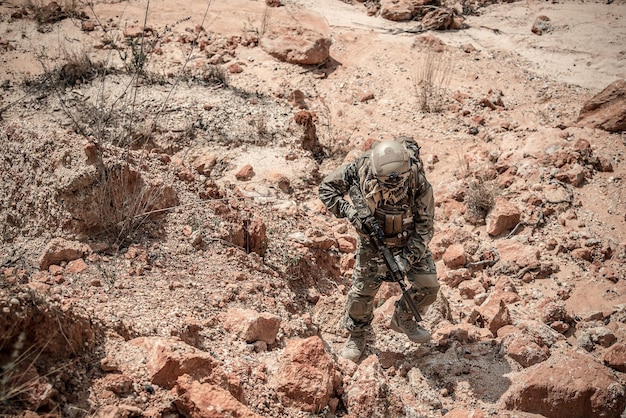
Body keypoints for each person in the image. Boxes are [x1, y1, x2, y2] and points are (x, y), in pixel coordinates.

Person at [318, 137, 439, 361]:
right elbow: (326, 188)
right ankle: (357, 333)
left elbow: (425, 228)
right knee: (362, 292)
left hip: (409, 238)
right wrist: (351, 213)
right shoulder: (361, 167)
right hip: (372, 239)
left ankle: (404, 317)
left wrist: (405, 260)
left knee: (429, 286)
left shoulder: (418, 182)